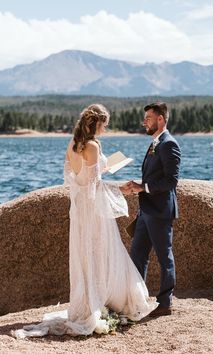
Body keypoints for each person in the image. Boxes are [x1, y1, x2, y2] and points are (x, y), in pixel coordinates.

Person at [13, 103, 157, 339]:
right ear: (96, 123)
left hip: (80, 211)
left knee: (87, 255)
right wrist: (120, 187)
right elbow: (94, 185)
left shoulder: (72, 145)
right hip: (93, 212)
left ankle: (93, 299)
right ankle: (103, 301)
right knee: (104, 252)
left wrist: (104, 165)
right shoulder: (91, 145)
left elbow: (75, 181)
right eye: (104, 124)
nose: (105, 129)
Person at [128, 101, 181, 317]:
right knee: (137, 255)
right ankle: (137, 300)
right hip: (146, 210)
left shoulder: (169, 144)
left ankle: (165, 303)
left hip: (160, 211)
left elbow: (171, 181)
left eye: (148, 118)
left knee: (164, 256)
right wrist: (139, 190)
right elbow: (153, 175)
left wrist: (143, 187)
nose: (144, 122)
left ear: (160, 119)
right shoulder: (155, 143)